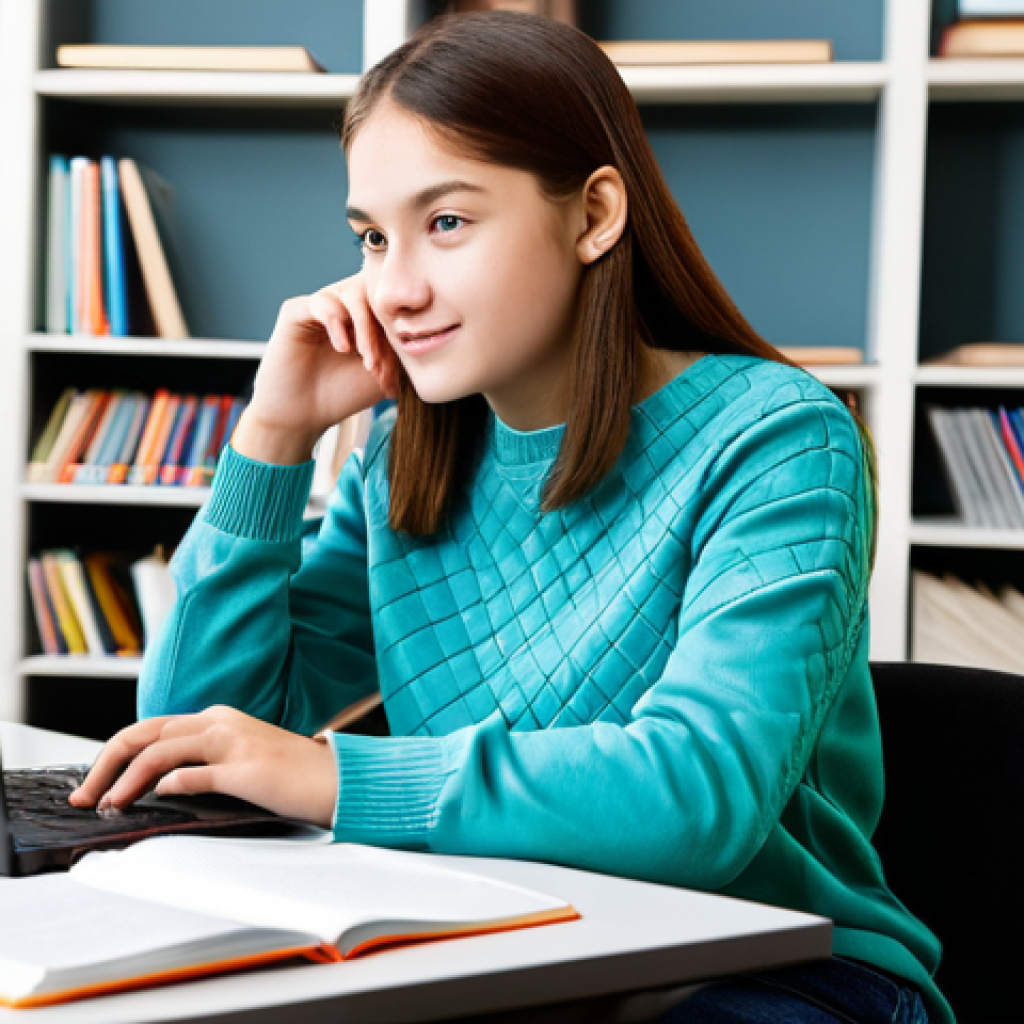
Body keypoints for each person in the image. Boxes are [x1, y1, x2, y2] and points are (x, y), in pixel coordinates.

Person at [70, 11, 952, 1024]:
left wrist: (333, 777)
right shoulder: (405, 460)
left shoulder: (779, 437)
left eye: (446, 222)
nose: (394, 289)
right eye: (372, 238)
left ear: (595, 215)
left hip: (777, 969)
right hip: (508, 952)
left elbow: (701, 795)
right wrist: (272, 437)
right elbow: (191, 741)